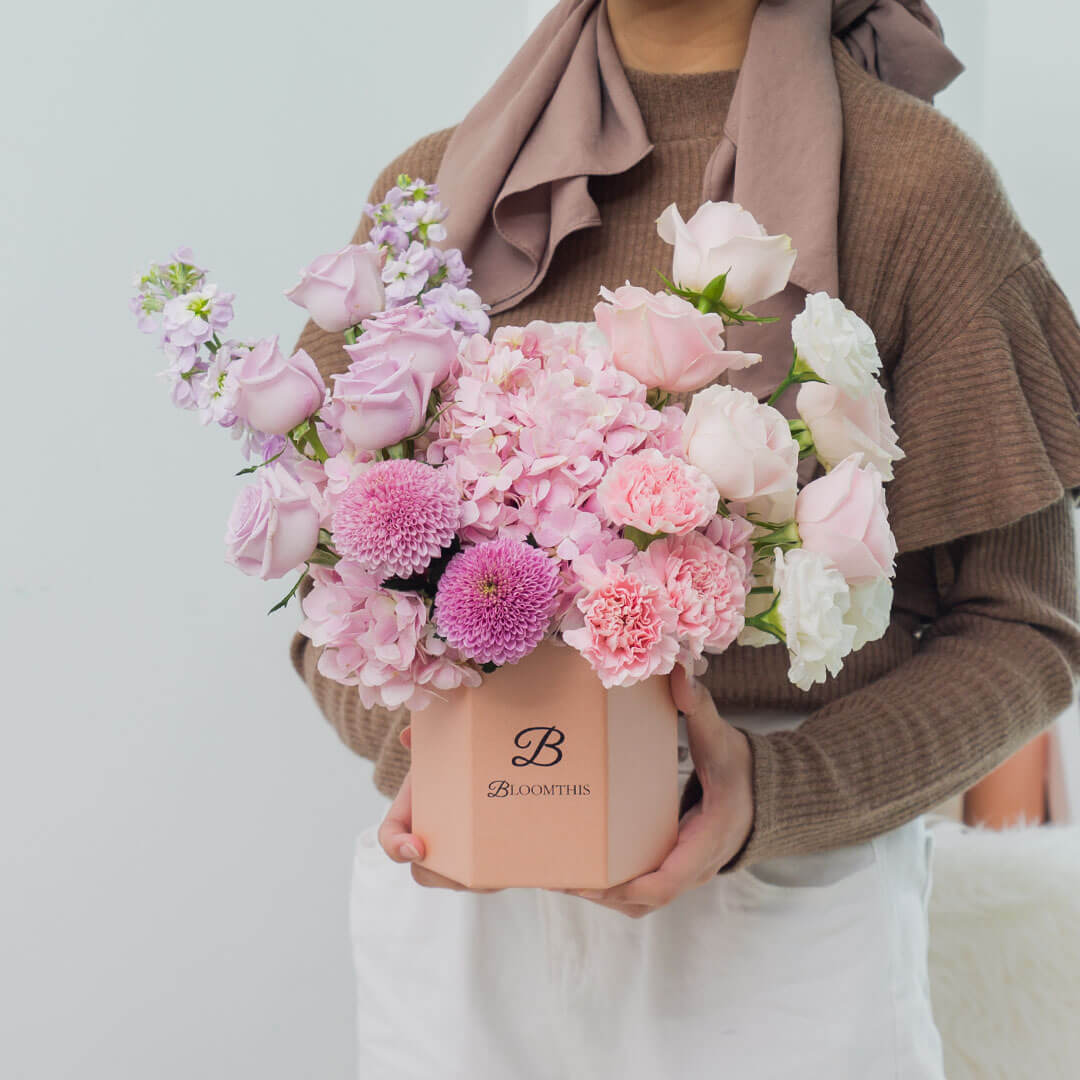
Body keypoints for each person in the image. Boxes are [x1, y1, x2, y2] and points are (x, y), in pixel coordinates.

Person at [289, 0, 1080, 1075]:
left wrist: (768, 794)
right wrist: (432, 762)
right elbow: (332, 585)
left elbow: (1027, 632)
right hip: (470, 928)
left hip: (780, 931)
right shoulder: (433, 196)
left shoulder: (915, 189)